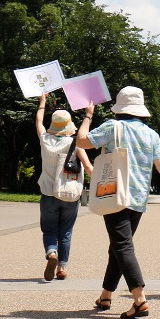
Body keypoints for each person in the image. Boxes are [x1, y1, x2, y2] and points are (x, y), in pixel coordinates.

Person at [76, 86, 160, 319]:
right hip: (138, 197)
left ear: (120, 108)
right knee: (118, 246)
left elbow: (82, 141)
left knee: (122, 246)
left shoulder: (112, 126)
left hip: (115, 193)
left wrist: (88, 115)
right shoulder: (152, 135)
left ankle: (139, 300)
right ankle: (106, 295)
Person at [35, 95, 92, 281]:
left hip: (48, 194)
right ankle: (62, 268)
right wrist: (88, 115)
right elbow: (89, 168)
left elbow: (38, 121)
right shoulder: (75, 144)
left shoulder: (44, 139)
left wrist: (42, 101)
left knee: (49, 230)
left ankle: (52, 253)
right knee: (65, 232)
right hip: (69, 195)